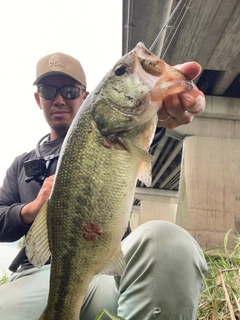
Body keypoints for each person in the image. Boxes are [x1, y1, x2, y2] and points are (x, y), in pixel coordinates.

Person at [0, 52, 207, 320]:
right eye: (49, 90)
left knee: (169, 240)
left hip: (108, 273)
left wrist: (164, 106)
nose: (60, 99)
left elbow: (149, 130)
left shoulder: (119, 133)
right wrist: (32, 209)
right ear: (39, 98)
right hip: (33, 279)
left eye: (70, 91)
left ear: (86, 98)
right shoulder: (21, 164)